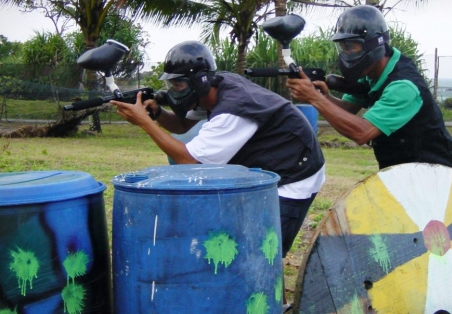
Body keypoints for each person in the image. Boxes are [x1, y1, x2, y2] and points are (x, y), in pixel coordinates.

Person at [111, 40, 325, 312]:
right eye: (173, 85)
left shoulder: (234, 109)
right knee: (252, 248)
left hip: (294, 176)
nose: (175, 91)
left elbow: (189, 160)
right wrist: (156, 114)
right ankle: (274, 304)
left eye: (179, 85)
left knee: (263, 253)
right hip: (269, 171)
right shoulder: (217, 87)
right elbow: (181, 123)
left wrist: (144, 123)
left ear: (200, 81)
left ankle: (273, 305)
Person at [286, 5, 452, 170]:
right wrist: (324, 97)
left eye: (352, 46)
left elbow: (362, 132)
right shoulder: (371, 74)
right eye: (343, 47)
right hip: (400, 168)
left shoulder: (403, 87)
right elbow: (348, 109)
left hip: (436, 170)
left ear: (374, 44)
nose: (347, 53)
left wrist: (314, 99)